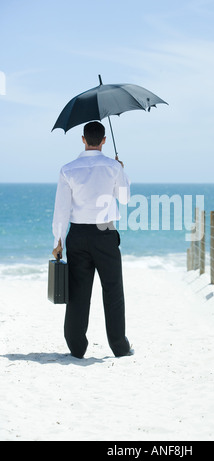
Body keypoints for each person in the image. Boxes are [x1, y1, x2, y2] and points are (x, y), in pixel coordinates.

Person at [52, 121, 132, 359]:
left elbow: (61, 210)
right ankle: (119, 346)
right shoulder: (113, 167)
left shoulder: (67, 169)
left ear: (83, 139)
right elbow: (125, 199)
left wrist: (58, 241)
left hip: (77, 235)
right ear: (104, 140)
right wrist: (121, 170)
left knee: (78, 292)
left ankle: (76, 347)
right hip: (105, 234)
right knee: (113, 290)